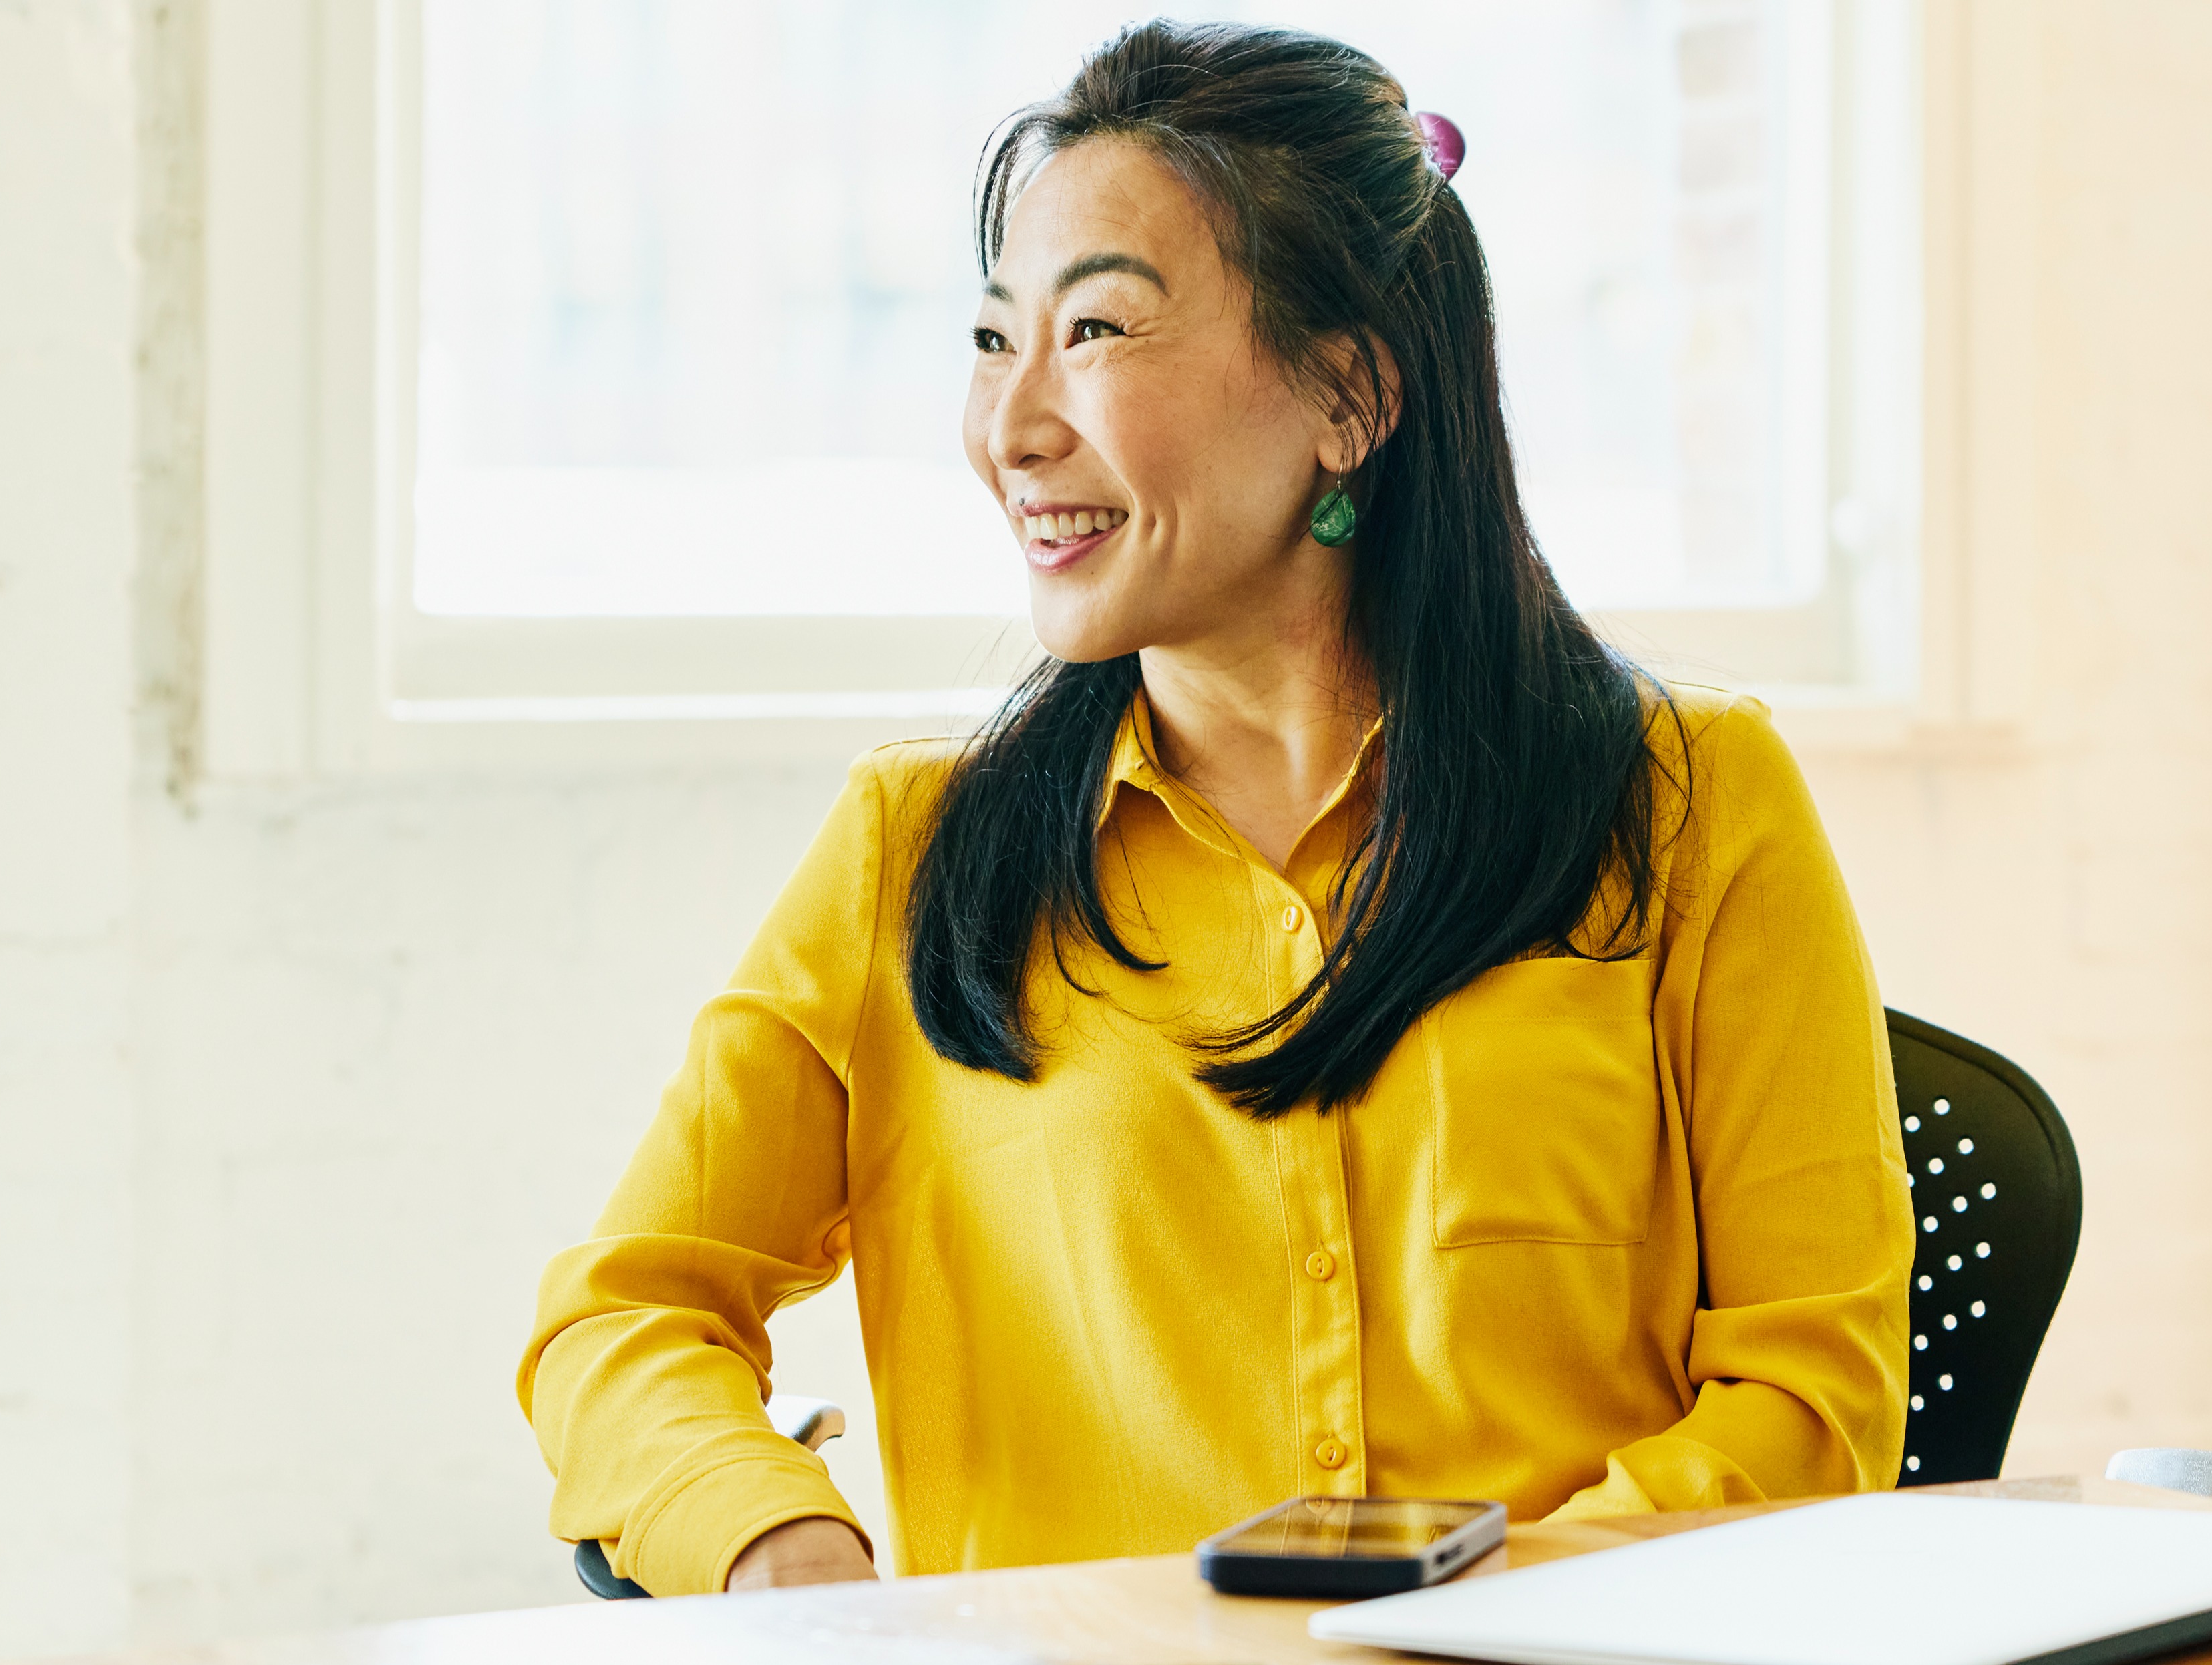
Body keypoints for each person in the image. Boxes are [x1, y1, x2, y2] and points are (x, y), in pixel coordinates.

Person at [517, 20, 1911, 1595]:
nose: (1011, 427)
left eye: (1095, 330)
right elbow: (624, 1318)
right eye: (993, 339)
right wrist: (779, 1546)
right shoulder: (911, 852)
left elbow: (1815, 1392)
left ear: (1347, 395)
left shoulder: (1686, 801)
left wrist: (1497, 1615)